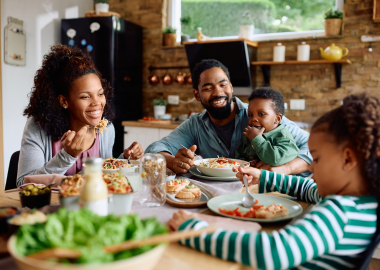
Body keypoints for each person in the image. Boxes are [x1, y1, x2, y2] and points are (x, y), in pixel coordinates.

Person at [168, 93, 380, 269]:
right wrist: (263, 176)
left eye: (316, 158)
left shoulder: (338, 212)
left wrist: (192, 229)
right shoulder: (362, 201)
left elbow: (271, 252)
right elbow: (307, 187)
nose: (311, 166)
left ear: (348, 159)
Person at [145, 59, 312, 176]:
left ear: (231, 87)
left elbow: (311, 146)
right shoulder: (195, 125)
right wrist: (172, 161)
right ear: (197, 94)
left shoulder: (257, 116)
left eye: (223, 85)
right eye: (208, 88)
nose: (218, 93)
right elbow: (154, 149)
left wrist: (285, 168)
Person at [16, 45, 143, 187]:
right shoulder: (38, 127)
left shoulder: (106, 130)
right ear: (64, 101)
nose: (97, 103)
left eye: (100, 94)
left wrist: (125, 159)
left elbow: (105, 174)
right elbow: (23, 183)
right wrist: (67, 156)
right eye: (85, 97)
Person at [235, 87, 299, 167]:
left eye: (261, 114)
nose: (254, 119)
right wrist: (247, 163)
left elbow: (276, 159)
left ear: (277, 118)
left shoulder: (283, 136)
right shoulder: (249, 136)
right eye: (250, 115)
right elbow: (239, 157)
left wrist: (257, 139)